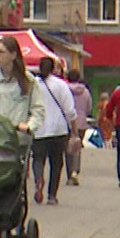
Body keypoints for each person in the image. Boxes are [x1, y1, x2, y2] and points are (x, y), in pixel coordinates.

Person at [30, 55, 77, 204]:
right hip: (58, 130)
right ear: (53, 68)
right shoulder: (61, 85)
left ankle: (38, 179)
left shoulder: (32, 85)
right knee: (56, 163)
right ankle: (52, 195)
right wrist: (74, 132)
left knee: (38, 158)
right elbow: (70, 110)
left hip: (38, 129)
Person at [64, 67, 92, 187]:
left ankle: (70, 172)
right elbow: (89, 107)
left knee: (68, 149)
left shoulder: (65, 89)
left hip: (67, 122)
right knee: (77, 147)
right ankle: (75, 171)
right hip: (81, 123)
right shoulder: (85, 92)